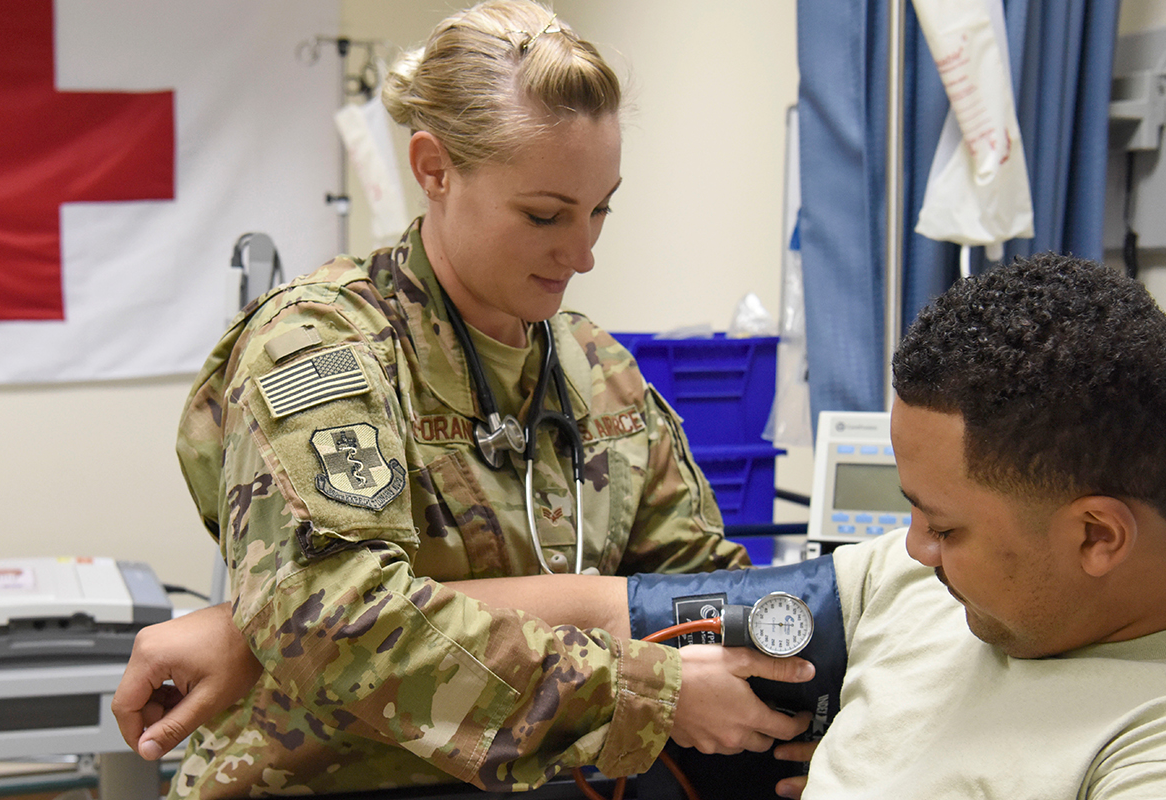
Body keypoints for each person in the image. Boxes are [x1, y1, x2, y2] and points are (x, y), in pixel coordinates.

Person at [112, 2, 813, 796]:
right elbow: (341, 626)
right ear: (434, 168)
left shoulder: (597, 371)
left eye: (601, 208)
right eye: (544, 214)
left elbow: (697, 594)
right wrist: (639, 690)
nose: (583, 252)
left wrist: (806, 704)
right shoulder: (323, 347)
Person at [471, 253, 1166, 798]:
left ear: (1097, 537)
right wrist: (381, 621)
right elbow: (616, 610)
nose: (915, 547)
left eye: (946, 529)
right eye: (912, 511)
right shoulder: (903, 582)